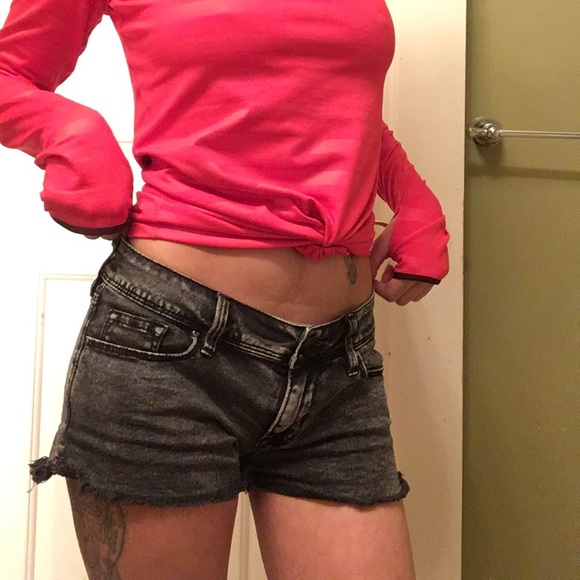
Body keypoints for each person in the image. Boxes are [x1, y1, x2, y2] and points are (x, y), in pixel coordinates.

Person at [0, 0, 449, 578]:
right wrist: (71, 133)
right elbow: (9, 73)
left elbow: (335, 104)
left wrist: (411, 195)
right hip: (172, 350)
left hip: (339, 362)